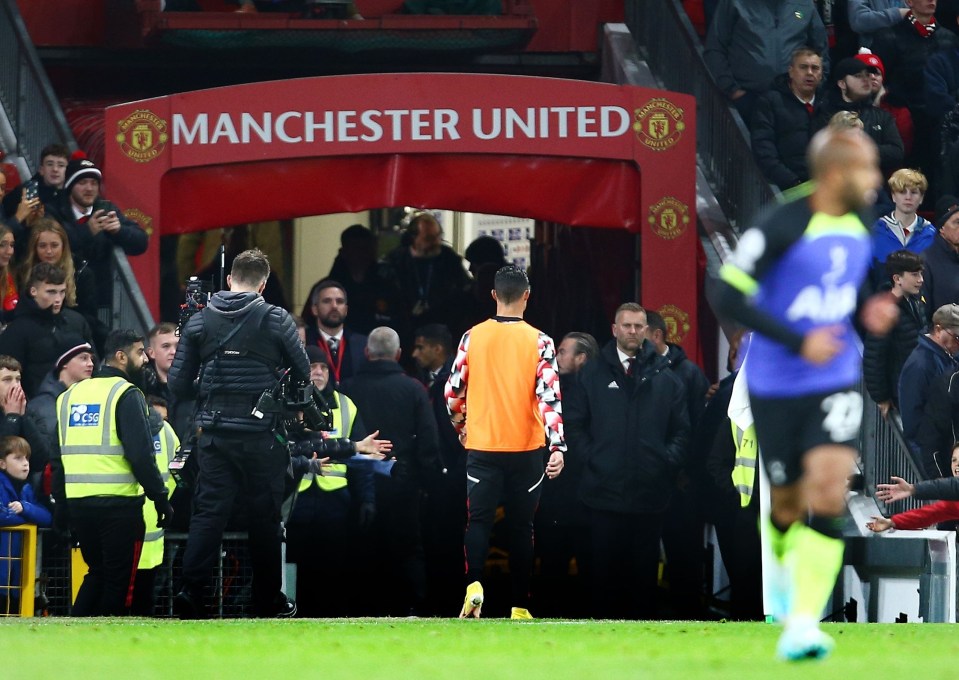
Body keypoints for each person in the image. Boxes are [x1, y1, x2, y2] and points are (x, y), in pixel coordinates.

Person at [711, 126, 898, 659]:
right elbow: (727, 290)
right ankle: (791, 598)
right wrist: (797, 338)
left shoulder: (861, 218)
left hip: (835, 374)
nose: (876, 180)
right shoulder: (782, 223)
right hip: (775, 378)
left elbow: (851, 279)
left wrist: (869, 307)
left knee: (828, 488)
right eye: (866, 169)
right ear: (836, 175)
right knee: (789, 500)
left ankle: (803, 623)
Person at [169, 248, 307, 619]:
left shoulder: (199, 323)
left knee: (209, 513)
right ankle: (266, 599)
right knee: (265, 518)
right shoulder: (276, 319)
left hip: (213, 433)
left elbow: (177, 384)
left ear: (229, 280)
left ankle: (192, 593)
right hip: (262, 434)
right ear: (262, 284)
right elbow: (303, 372)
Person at [446, 265, 566, 620]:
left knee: (479, 521)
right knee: (522, 527)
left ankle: (474, 585)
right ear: (527, 296)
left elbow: (453, 392)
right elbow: (550, 397)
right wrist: (557, 446)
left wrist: (461, 426)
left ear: (494, 295)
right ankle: (519, 605)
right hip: (526, 447)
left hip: (483, 444)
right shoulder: (540, 340)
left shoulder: (473, 337)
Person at [563, 304, 690, 620]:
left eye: (638, 326)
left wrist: (665, 462)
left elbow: (683, 431)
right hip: (602, 495)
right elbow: (575, 425)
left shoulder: (667, 377)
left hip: (649, 496)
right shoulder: (591, 374)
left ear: (647, 331)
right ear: (614, 328)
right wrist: (594, 459)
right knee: (602, 580)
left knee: (643, 582)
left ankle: (642, 650)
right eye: (627, 325)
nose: (633, 331)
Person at [51, 328, 172, 617]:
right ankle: (103, 636)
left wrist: (61, 509)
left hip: (80, 504)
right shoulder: (126, 394)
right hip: (118, 506)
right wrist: (160, 497)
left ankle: (76, 630)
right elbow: (141, 455)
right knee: (117, 582)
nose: (144, 360)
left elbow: (57, 461)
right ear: (121, 356)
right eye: (139, 352)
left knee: (97, 573)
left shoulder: (69, 397)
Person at [341, 326, 443, 616]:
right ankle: (412, 606)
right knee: (407, 550)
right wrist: (425, 482)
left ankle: (361, 609)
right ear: (398, 354)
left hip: (357, 485)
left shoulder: (347, 388)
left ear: (366, 353)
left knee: (361, 550)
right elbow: (428, 442)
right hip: (404, 484)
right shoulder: (414, 389)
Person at [285, 345, 386, 617]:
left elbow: (364, 459)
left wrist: (367, 499)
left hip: (335, 500)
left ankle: (331, 615)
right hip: (297, 497)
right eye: (312, 367)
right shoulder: (288, 403)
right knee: (294, 563)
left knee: (333, 566)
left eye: (323, 367)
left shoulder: (345, 404)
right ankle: (292, 614)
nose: (318, 372)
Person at [646, 309, 711, 618]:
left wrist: (685, 471)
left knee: (683, 552)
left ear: (656, 336)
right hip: (647, 481)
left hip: (681, 484)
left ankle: (687, 613)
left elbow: (698, 430)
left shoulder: (690, 374)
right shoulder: (637, 372)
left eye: (639, 331)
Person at [535, 330, 598, 618]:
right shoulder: (553, 388)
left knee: (569, 562)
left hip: (577, 492)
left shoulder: (583, 392)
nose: (556, 356)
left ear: (581, 358)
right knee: (558, 561)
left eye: (562, 351)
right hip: (568, 492)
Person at [411, 323, 466, 613]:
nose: (414, 353)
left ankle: (448, 602)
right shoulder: (429, 379)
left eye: (420, 347)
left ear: (437, 349)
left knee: (448, 543)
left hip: (449, 479)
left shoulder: (454, 382)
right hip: (438, 478)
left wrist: (451, 474)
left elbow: (455, 433)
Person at [43, 157, 148, 309]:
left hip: (101, 299)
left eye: (94, 183)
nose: (89, 188)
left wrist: (119, 231)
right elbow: (51, 245)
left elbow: (141, 243)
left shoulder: (106, 208)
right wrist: (87, 231)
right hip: (63, 297)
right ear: (70, 186)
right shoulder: (53, 210)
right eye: (82, 183)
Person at [704, 0, 829, 124]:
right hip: (747, 99)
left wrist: (814, 89)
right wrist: (732, 90)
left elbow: (821, 51)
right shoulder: (734, 2)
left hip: (794, 101)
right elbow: (715, 48)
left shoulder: (804, 4)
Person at [0, 263, 95, 398]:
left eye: (62, 292)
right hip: (35, 408)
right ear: (33, 291)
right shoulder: (16, 331)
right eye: (51, 292)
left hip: (79, 402)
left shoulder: (77, 322)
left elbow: (94, 363)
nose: (57, 299)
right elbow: (7, 377)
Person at [750, 47, 826, 191]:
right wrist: (792, 182)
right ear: (791, 71)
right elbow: (763, 147)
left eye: (815, 68)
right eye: (803, 67)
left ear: (821, 74)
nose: (810, 73)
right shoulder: (770, 101)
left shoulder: (828, 102)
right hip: (789, 187)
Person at [863, 250, 928, 417]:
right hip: (902, 394)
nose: (920, 280)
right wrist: (881, 397)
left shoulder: (917, 301)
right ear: (897, 279)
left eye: (921, 273)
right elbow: (873, 358)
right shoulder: (884, 311)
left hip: (920, 387)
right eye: (914, 275)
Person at [131, 396, 179, 616]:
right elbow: (179, 472)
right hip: (156, 521)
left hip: (126, 518)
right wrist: (165, 498)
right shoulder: (167, 432)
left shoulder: (125, 427)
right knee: (146, 598)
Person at [819, 57, 905, 179]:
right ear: (842, 83)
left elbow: (897, 153)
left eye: (867, 75)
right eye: (858, 76)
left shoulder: (882, 116)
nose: (866, 79)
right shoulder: (825, 115)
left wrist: (859, 148)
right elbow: (820, 154)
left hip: (874, 188)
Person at [18, 218, 100, 342]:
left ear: (64, 246)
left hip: (72, 337)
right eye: (42, 246)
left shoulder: (82, 273)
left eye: (54, 245)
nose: (49, 251)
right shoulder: (24, 273)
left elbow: (89, 319)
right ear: (34, 248)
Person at [385, 211, 471, 326]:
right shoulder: (396, 261)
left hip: (443, 323)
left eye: (438, 236)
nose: (436, 242)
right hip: (406, 324)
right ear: (413, 238)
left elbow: (463, 287)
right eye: (428, 238)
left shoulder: (448, 258)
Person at [24, 334, 95, 473]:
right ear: (64, 363)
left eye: (91, 359)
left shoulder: (91, 400)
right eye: (83, 358)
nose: (90, 364)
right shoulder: (41, 406)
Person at [0, 436, 52, 616]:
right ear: (2, 463)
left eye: (27, 458)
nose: (25, 464)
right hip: (3, 568)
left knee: (14, 612)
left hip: (18, 574)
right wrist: (28, 517)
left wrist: (25, 509)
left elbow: (47, 517)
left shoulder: (27, 489)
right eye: (18, 458)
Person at [898, 303, 959, 454]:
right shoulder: (920, 365)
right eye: (956, 337)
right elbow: (913, 422)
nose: (958, 344)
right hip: (930, 451)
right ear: (938, 329)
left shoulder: (944, 356)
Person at [324, 224, 405, 336]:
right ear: (344, 252)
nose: (362, 255)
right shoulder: (327, 290)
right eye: (356, 248)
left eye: (366, 249)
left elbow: (401, 324)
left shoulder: (387, 287)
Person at [869, 443, 959, 530]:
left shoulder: (953, 489)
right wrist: (892, 522)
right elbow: (929, 514)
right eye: (954, 460)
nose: (957, 464)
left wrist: (914, 489)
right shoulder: (954, 503)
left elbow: (950, 486)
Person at [870, 169, 935, 287]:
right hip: (882, 302)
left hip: (921, 303)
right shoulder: (875, 233)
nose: (908, 197)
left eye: (914, 192)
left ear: (921, 198)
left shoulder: (931, 235)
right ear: (893, 196)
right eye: (902, 192)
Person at [304, 279, 368, 384]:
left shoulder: (362, 344)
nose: (334, 306)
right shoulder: (303, 340)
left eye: (339, 301)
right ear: (314, 309)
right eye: (327, 301)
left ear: (346, 309)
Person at [921, 195, 959, 318]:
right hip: (940, 334)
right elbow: (922, 313)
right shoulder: (926, 260)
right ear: (942, 228)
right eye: (957, 223)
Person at [142, 322, 179, 404]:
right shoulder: (142, 387)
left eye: (178, 346)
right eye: (166, 346)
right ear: (151, 353)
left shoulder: (196, 385)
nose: (173, 351)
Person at [0, 223, 18, 327]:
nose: (10, 251)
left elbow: (12, 310)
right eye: (2, 245)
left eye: (12, 245)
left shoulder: (6, 275)